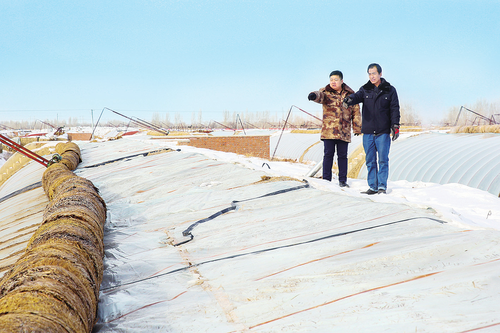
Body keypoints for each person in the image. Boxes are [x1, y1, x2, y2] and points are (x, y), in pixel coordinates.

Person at [343, 63, 400, 194]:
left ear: (380, 74)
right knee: (370, 160)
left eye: (374, 73)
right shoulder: (365, 89)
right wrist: (349, 100)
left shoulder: (390, 90)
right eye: (369, 73)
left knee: (383, 160)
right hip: (368, 131)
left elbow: (394, 109)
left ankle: (381, 186)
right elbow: (356, 96)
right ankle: (372, 187)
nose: (371, 76)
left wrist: (395, 126)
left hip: (383, 132)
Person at [308, 70, 361, 187]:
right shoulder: (326, 93)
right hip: (329, 131)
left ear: (341, 81)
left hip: (344, 131)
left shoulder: (351, 95)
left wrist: (357, 128)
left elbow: (356, 112)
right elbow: (319, 96)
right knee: (328, 155)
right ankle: (326, 180)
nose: (333, 82)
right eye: (331, 80)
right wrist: (313, 95)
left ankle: (343, 181)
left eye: (336, 80)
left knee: (342, 156)